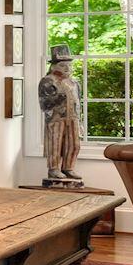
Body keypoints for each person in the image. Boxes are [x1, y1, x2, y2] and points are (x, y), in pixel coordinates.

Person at [38, 44, 84, 183]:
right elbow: (45, 104)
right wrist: (59, 97)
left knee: (74, 144)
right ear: (54, 66)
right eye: (63, 65)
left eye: (69, 65)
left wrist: (79, 120)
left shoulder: (74, 82)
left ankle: (68, 167)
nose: (67, 68)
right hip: (56, 118)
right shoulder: (48, 81)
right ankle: (54, 169)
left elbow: (78, 102)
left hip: (73, 118)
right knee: (55, 144)